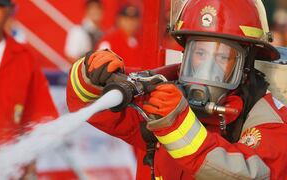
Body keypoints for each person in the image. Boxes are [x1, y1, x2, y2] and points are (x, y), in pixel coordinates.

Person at [66, 0, 287, 179]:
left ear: (246, 63)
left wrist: (177, 126)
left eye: (222, 56)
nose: (207, 67)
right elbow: (88, 105)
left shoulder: (268, 118)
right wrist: (91, 75)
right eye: (199, 53)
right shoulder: (161, 98)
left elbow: (251, 173)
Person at [0, 0, 58, 155]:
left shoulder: (25, 58)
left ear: (11, 10)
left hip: (9, 170)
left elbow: (40, 115)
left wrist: (29, 159)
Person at [96, 4, 142, 72]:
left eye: (133, 19)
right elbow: (100, 68)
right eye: (126, 19)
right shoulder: (108, 41)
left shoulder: (142, 42)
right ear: (119, 20)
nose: (130, 22)